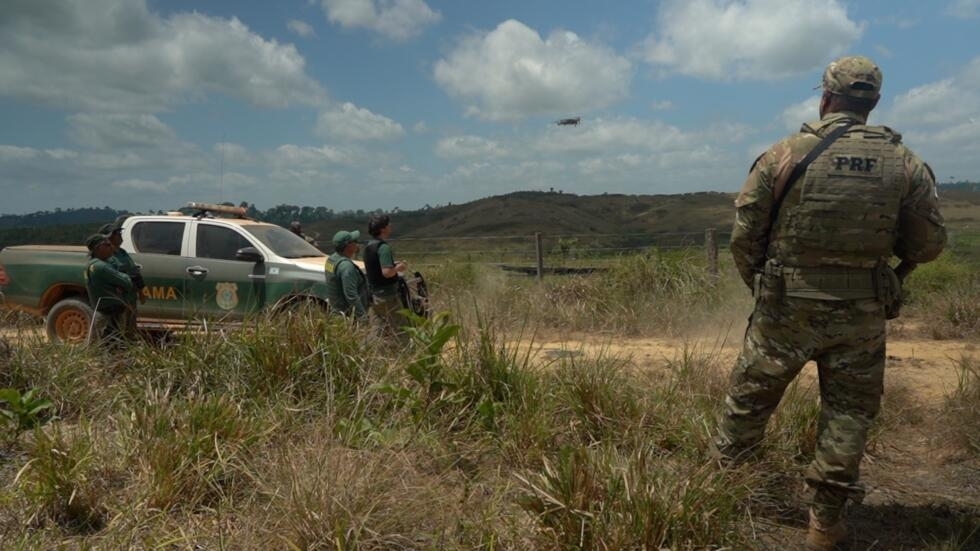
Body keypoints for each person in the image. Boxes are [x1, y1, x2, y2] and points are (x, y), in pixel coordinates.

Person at [709, 55, 946, 550]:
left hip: (785, 308)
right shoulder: (904, 163)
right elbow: (927, 245)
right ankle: (825, 522)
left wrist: (762, 282)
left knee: (749, 401)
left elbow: (744, 236)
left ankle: (728, 495)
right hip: (861, 313)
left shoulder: (784, 154)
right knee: (848, 416)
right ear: (873, 102)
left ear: (825, 98)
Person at [83, 233, 135, 346]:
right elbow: (127, 281)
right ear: (98, 248)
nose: (111, 247)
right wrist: (123, 279)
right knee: (110, 343)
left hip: (104, 311)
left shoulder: (93, 265)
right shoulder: (101, 267)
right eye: (107, 245)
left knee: (98, 342)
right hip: (109, 313)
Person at [363, 213, 408, 338]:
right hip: (388, 296)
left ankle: (366, 352)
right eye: (388, 224)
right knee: (402, 330)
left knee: (377, 330)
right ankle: (409, 354)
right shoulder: (384, 248)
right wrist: (399, 267)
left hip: (375, 295)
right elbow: (387, 273)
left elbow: (375, 267)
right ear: (382, 228)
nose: (391, 226)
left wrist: (391, 265)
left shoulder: (369, 246)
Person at [100, 216, 145, 336]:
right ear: (109, 237)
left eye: (120, 233)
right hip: (118, 300)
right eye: (117, 234)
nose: (120, 236)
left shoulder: (122, 253)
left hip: (130, 298)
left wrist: (140, 292)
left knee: (130, 329)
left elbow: (134, 272)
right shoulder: (106, 257)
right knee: (117, 330)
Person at [324, 230, 369, 321]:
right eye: (355, 242)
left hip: (336, 312)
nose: (357, 244)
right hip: (348, 317)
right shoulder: (346, 267)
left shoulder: (332, 259)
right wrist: (363, 317)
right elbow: (351, 295)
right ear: (348, 246)